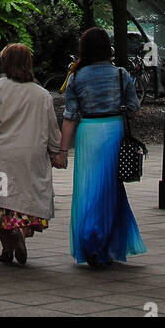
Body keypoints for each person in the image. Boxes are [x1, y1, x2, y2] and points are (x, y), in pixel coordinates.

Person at [55, 26, 146, 267]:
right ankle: (106, 242)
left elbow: (70, 116)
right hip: (114, 131)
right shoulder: (121, 74)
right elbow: (135, 110)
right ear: (108, 48)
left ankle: (91, 240)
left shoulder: (76, 76)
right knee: (111, 189)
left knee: (88, 189)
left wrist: (62, 151)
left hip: (89, 133)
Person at [0, 43, 62, 265]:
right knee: (22, 198)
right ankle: (19, 233)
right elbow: (52, 128)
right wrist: (56, 152)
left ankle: (7, 247)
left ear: (5, 63)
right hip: (29, 159)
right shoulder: (42, 94)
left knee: (0, 200)